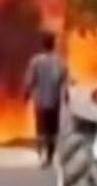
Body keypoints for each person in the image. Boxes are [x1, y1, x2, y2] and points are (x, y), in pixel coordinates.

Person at [24, 31, 68, 167]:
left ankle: (41, 154)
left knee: (41, 129)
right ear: (53, 44)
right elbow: (64, 81)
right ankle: (49, 156)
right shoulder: (60, 61)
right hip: (54, 101)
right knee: (52, 129)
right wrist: (66, 96)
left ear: (43, 45)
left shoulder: (36, 61)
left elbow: (30, 80)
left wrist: (26, 94)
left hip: (40, 102)